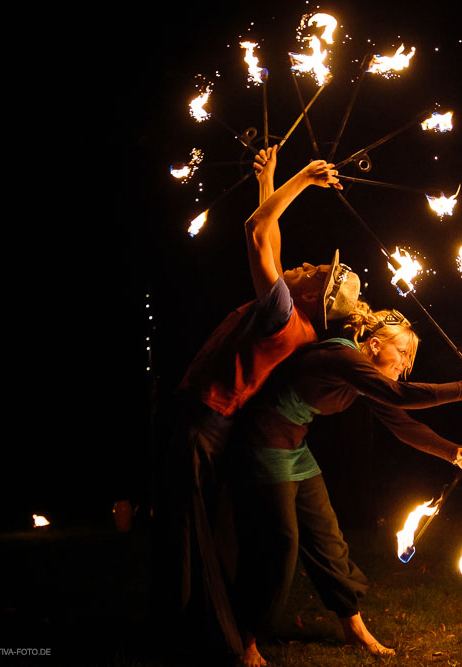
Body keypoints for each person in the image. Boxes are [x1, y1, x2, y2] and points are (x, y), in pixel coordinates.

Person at [157, 147, 360, 658]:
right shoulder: (297, 312)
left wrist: (302, 179)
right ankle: (196, 625)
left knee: (190, 528)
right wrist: (269, 181)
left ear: (314, 294)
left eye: (319, 272)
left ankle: (199, 632)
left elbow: (254, 231)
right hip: (217, 420)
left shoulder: (281, 310)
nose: (310, 266)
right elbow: (268, 231)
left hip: (203, 421)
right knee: (204, 528)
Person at [232, 305, 462, 666]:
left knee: (327, 539)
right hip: (264, 439)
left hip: (294, 447)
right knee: (279, 543)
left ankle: (354, 629)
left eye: (409, 357)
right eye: (401, 353)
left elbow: (402, 424)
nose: (404, 364)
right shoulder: (341, 355)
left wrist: (454, 453)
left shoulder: (363, 376)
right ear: (371, 344)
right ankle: (246, 639)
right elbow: (400, 396)